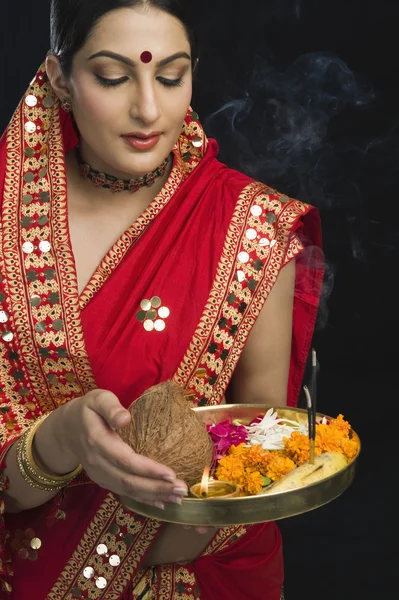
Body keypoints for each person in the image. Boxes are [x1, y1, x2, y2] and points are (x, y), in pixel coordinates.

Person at [0, 1, 324, 598]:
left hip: (185, 573)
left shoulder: (250, 226)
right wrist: (59, 442)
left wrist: (128, 560)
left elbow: (260, 453)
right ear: (57, 79)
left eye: (172, 77)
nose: (149, 108)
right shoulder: (4, 214)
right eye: (113, 76)